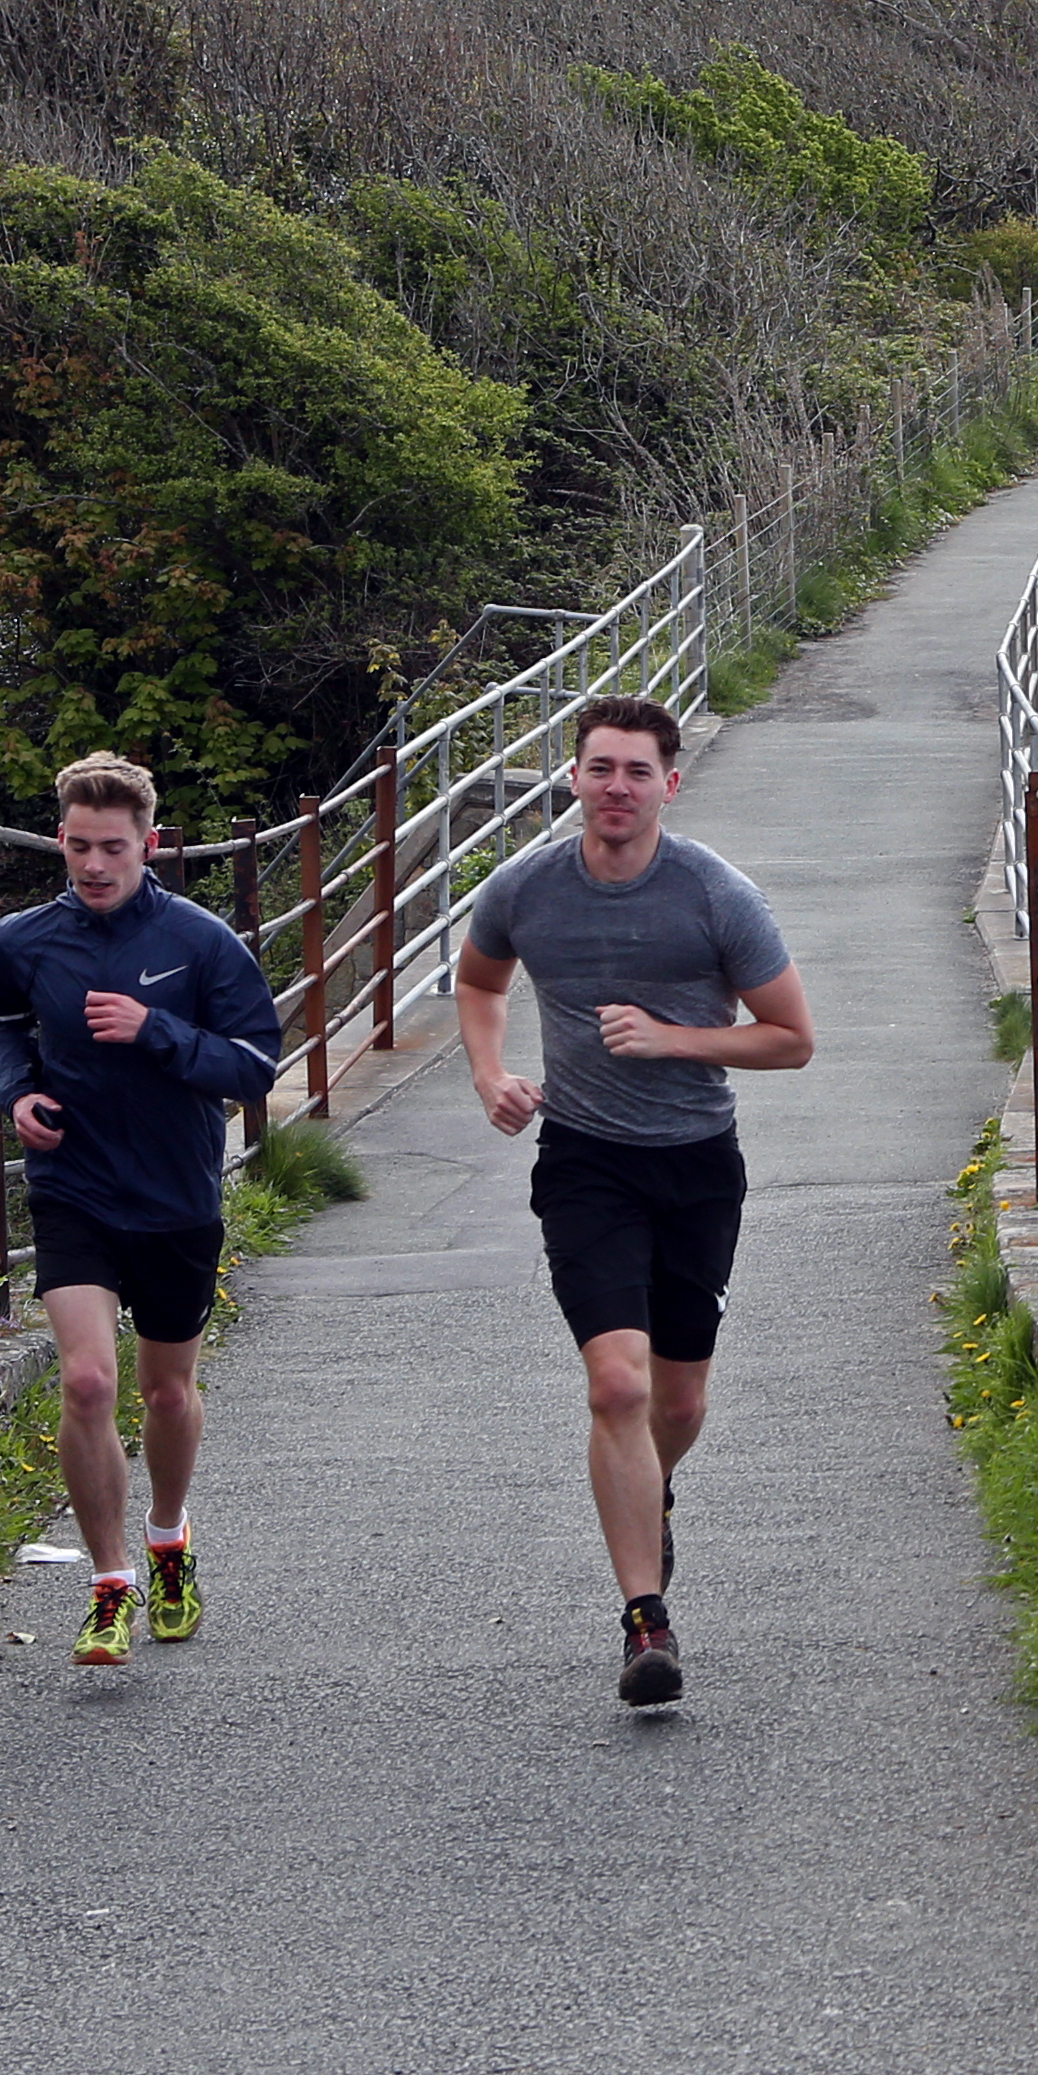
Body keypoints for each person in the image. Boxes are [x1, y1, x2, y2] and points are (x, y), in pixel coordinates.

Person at [456, 695, 809, 1707]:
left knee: (679, 1400)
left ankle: (646, 1490)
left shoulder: (714, 895)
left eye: (636, 772)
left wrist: (676, 1038)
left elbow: (791, 1036)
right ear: (573, 777)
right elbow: (479, 984)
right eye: (599, 768)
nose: (616, 788)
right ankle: (645, 1622)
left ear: (669, 783)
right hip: (584, 1162)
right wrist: (492, 1076)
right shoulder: (526, 888)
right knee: (617, 1385)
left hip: (697, 1164)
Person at [0, 751, 287, 1669]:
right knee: (86, 1382)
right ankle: (109, 1586)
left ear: (148, 845)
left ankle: (168, 1538)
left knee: (164, 1391)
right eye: (79, 847)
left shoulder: (199, 942)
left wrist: (159, 1033)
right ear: (60, 842)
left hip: (176, 1192)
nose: (96, 866)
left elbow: (255, 1064)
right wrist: (17, 1092)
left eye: (114, 848)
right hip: (74, 1186)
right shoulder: (26, 941)